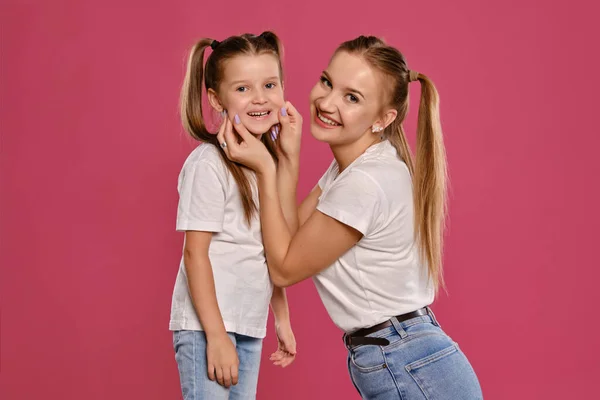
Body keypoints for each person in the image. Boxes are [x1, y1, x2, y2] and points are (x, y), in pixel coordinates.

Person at [218, 35, 483, 399]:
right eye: (327, 82)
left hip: (407, 361)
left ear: (383, 118)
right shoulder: (355, 167)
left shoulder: (365, 183)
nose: (326, 102)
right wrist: (288, 159)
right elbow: (293, 237)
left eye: (352, 97)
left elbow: (283, 267)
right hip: (405, 355)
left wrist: (265, 169)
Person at [169, 31, 297, 400]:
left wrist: (282, 318)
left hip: (248, 325)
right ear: (216, 98)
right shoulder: (208, 165)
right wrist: (216, 335)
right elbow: (194, 254)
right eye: (242, 89)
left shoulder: (264, 165)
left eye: (270, 84)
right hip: (206, 328)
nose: (260, 98)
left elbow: (275, 250)